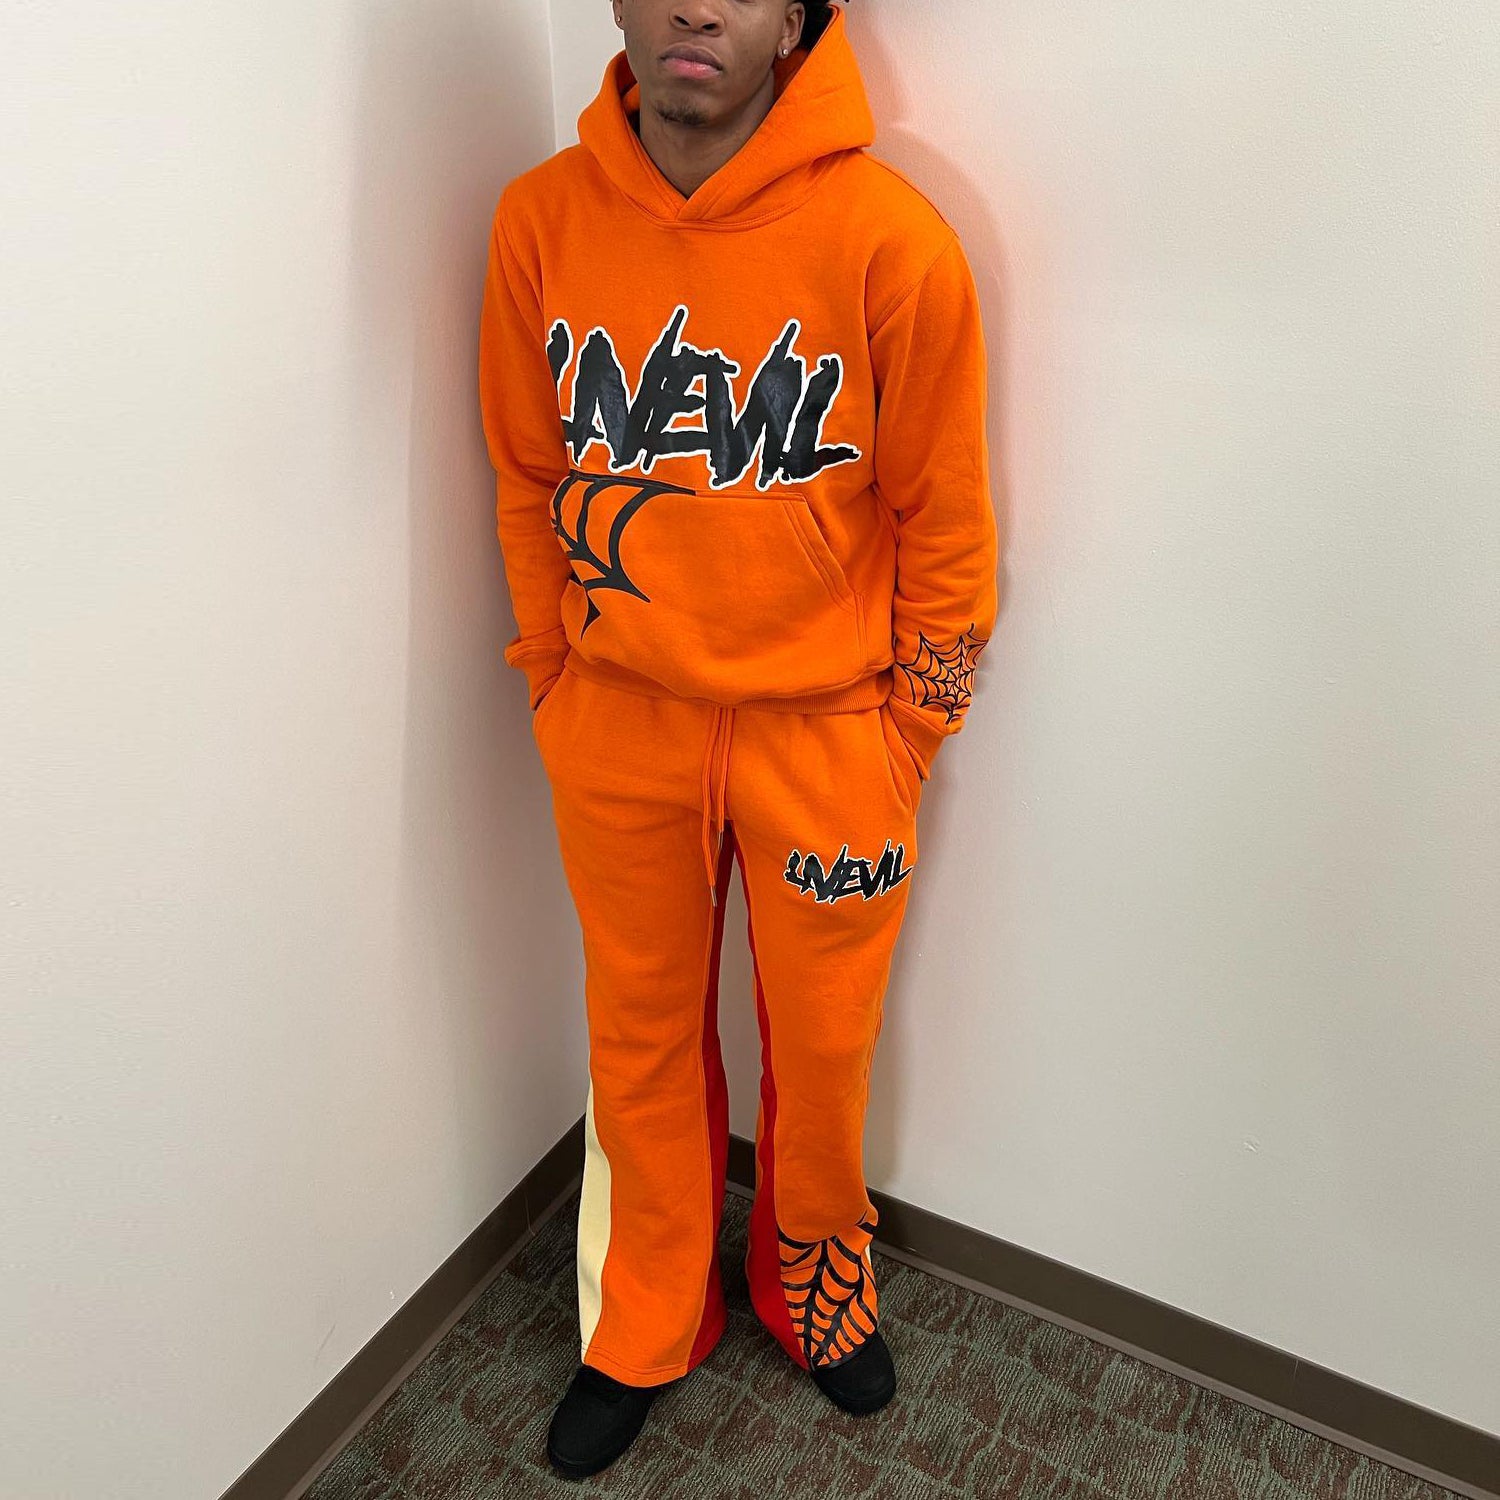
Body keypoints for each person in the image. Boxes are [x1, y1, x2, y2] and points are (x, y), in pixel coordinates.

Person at [478, 0, 999, 1480]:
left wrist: (913, 729)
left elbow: (948, 521)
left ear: (794, 18)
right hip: (618, 724)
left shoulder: (891, 241)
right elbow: (526, 471)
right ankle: (645, 1314)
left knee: (823, 1051)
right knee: (638, 1036)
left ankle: (816, 1282)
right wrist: (551, 673)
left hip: (830, 736)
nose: (697, 6)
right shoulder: (539, 224)